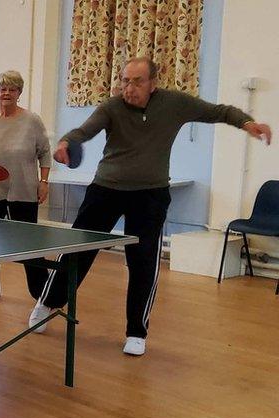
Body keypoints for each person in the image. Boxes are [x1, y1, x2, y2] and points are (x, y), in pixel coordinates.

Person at [30, 57, 272, 356]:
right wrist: (65, 143)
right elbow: (84, 131)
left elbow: (218, 112)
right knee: (78, 251)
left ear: (153, 83)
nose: (128, 88)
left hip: (150, 195)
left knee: (143, 262)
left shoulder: (175, 104)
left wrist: (247, 123)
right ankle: (47, 304)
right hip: (105, 190)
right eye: (124, 80)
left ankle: (136, 332)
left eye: (136, 81)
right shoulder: (111, 107)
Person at [0, 70, 51, 302]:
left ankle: (42, 293)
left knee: (28, 243)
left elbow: (44, 153)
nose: (7, 93)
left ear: (19, 93)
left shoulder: (32, 121)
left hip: (24, 190)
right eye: (2, 89)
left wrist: (44, 183)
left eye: (12, 89)